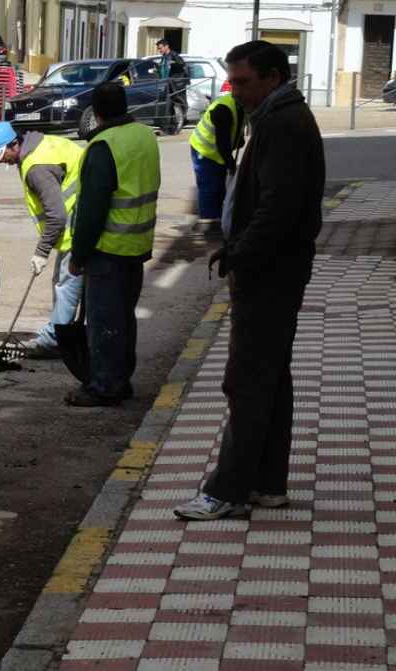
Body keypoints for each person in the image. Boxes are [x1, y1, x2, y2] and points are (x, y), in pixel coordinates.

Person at [175, 41, 324, 520]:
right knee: (270, 377)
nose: (234, 91)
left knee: (246, 379)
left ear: (274, 77)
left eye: (242, 82)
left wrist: (240, 251)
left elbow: (278, 207)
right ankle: (267, 483)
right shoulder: (275, 118)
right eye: (232, 81)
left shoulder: (284, 124)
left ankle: (227, 489)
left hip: (270, 270)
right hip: (274, 265)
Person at [65, 83, 161, 407]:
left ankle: (105, 385)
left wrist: (78, 255)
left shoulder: (103, 146)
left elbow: (92, 210)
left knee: (104, 320)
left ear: (96, 112)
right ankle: (121, 379)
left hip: (108, 247)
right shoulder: (145, 136)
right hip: (137, 244)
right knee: (124, 316)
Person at [0, 121, 85, 359]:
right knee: (64, 283)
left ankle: (56, 341)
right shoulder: (37, 147)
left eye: (1, 155)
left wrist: (41, 252)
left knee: (66, 285)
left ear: (13, 144)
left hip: (77, 228)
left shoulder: (36, 168)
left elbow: (57, 215)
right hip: (80, 222)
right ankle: (62, 332)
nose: (0, 161)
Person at [189, 92, 244, 230]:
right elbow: (222, 143)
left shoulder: (241, 105)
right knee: (209, 187)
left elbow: (236, 126)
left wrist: (238, 138)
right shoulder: (223, 109)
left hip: (216, 152)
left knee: (219, 186)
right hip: (204, 150)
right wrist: (230, 164)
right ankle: (208, 222)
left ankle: (219, 218)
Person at [156, 39, 189, 118]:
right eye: (158, 49)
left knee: (180, 101)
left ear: (166, 46)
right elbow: (163, 69)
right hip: (168, 83)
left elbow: (182, 64)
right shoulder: (164, 57)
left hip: (177, 84)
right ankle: (172, 120)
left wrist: (174, 63)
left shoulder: (174, 55)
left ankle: (183, 119)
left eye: (160, 48)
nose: (159, 50)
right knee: (170, 103)